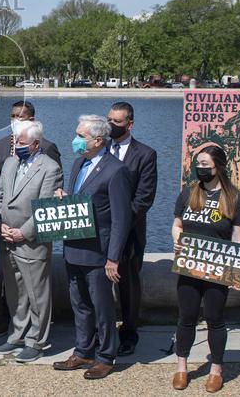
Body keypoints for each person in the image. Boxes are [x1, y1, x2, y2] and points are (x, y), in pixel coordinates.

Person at [52, 115, 131, 380]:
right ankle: (83, 350)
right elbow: (79, 200)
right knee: (80, 304)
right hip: (74, 245)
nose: (75, 140)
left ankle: (106, 355)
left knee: (102, 306)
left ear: (98, 140)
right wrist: (64, 198)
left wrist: (113, 258)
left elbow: (121, 218)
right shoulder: (78, 163)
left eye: (80, 136)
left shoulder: (116, 169)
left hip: (99, 251)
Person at [171, 145, 240, 393]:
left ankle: (216, 370)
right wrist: (177, 238)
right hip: (189, 265)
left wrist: (239, 272)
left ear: (219, 167)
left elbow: (237, 235)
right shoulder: (188, 193)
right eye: (198, 164)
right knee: (186, 317)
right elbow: (177, 223)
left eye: (206, 165)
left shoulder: (234, 197)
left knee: (215, 319)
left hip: (218, 267)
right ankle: (181, 367)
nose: (200, 169)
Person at [0, 120, 63, 362]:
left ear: (35, 144)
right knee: (15, 291)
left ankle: (36, 340)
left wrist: (23, 231)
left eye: (21, 143)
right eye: (15, 142)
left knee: (36, 292)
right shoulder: (11, 162)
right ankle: (18, 334)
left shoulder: (50, 168)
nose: (16, 146)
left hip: (31, 241)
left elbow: (46, 206)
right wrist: (1, 222)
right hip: (6, 237)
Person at [106, 101, 158, 356]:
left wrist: (120, 222)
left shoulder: (145, 154)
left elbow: (144, 198)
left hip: (130, 232)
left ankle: (129, 332)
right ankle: (102, 331)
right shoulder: (100, 147)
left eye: (116, 122)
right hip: (100, 229)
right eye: (109, 120)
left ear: (130, 124)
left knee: (127, 285)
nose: (111, 125)